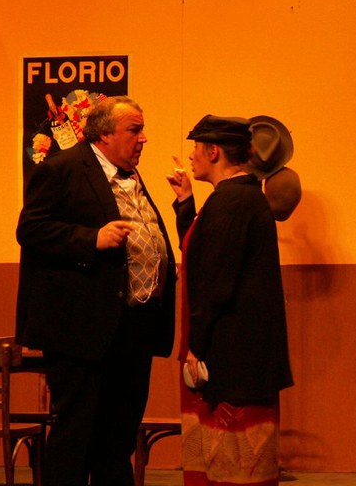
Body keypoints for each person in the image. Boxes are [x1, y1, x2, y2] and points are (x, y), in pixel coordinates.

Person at [15, 95, 176, 486]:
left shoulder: (130, 175)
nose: (143, 139)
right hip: (82, 331)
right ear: (104, 135)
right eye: (134, 130)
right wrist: (91, 238)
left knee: (118, 437)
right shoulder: (63, 169)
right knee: (76, 433)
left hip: (132, 328)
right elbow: (30, 229)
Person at [167, 114, 294, 486]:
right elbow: (199, 252)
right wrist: (185, 202)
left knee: (232, 467)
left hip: (233, 356)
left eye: (196, 148)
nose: (191, 156)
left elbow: (215, 282)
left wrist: (197, 345)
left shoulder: (232, 202)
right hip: (238, 353)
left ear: (214, 152)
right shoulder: (235, 197)